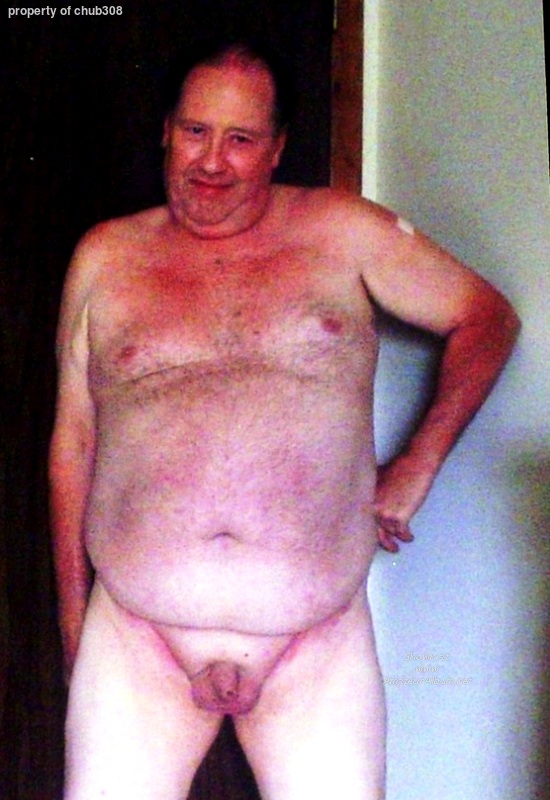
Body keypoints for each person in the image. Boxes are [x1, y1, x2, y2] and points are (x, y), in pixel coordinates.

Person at [48, 38, 520, 800]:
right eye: (195, 131)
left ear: (277, 149)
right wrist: (74, 630)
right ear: (167, 129)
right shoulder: (105, 257)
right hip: (137, 632)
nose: (211, 161)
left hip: (314, 640)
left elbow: (486, 316)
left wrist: (417, 462)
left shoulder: (342, 231)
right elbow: (73, 444)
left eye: (240, 139)